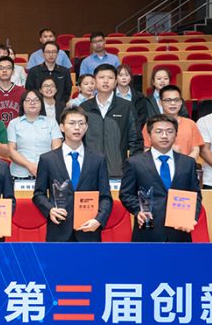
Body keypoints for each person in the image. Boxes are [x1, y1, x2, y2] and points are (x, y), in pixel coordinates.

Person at [32, 107, 112, 242]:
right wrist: (50, 209)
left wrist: (99, 220)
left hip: (89, 230)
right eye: (72, 123)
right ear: (62, 127)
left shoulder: (98, 159)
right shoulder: (48, 159)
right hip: (59, 230)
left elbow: (105, 197)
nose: (77, 128)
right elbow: (38, 194)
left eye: (81, 123)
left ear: (86, 127)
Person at [120, 114, 202, 242]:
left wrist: (192, 217)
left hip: (180, 230)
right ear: (149, 135)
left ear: (176, 135)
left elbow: (195, 194)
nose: (164, 136)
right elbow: (126, 194)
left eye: (170, 131)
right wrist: (138, 210)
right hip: (148, 230)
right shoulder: (135, 163)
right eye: (158, 131)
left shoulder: (188, 163)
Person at [81, 64, 141, 178]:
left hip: (119, 171)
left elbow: (136, 140)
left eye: (110, 77)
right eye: (101, 77)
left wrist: (132, 168)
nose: (105, 81)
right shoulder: (84, 108)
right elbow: (79, 139)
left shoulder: (126, 107)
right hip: (89, 171)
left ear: (115, 82)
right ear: (94, 81)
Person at [7, 90, 62, 180]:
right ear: (22, 104)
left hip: (47, 171)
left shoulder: (51, 122)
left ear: (41, 104)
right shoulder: (14, 123)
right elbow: (11, 150)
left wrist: (42, 167)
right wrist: (29, 165)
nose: (32, 103)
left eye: (36, 100)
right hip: (20, 173)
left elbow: (56, 150)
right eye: (28, 100)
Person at [140, 85, 204, 159]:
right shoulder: (151, 124)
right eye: (168, 100)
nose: (173, 103)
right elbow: (146, 149)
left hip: (186, 164)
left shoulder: (190, 124)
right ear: (160, 102)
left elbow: (196, 149)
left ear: (181, 102)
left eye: (176, 100)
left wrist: (186, 163)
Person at [0, 56, 25, 125]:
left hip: (17, 130)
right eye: (1, 68)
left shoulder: (22, 92)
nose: (4, 70)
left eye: (8, 68)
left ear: (13, 72)